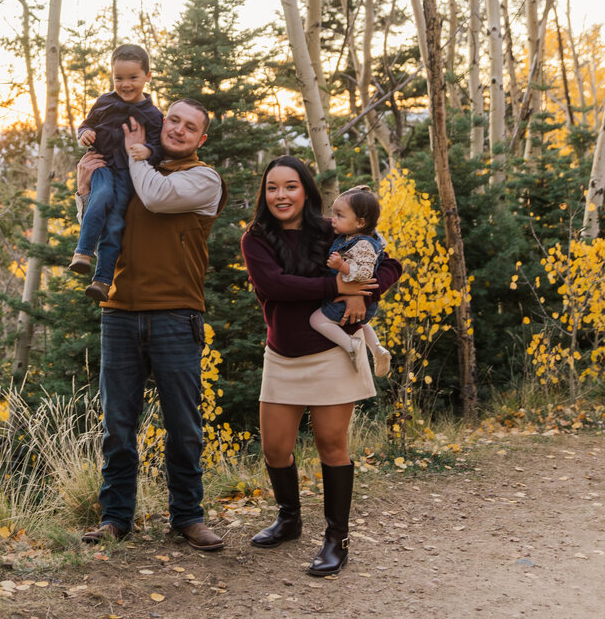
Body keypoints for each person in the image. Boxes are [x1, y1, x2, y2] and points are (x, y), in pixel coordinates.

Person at [76, 98, 228, 551]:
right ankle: (116, 518)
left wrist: (138, 155)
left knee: (183, 425)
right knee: (117, 426)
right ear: (163, 123)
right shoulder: (129, 170)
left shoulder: (203, 179)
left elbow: (157, 198)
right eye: (174, 120)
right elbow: (96, 228)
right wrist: (86, 191)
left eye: (190, 127)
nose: (178, 130)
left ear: (201, 139)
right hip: (119, 312)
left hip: (176, 314)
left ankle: (188, 516)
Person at [239, 156, 401, 576]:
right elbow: (274, 285)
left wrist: (362, 294)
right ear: (264, 194)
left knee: (332, 445)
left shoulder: (331, 228)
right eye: (273, 187)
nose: (281, 195)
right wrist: (338, 286)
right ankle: (289, 519)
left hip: (333, 352)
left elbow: (390, 264)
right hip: (282, 355)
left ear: (305, 190)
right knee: (276, 449)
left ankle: (336, 539)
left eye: (290, 186)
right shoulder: (255, 239)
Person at [70, 44, 164, 302]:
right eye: (118, 78)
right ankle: (83, 252)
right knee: (99, 198)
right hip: (103, 166)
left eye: (133, 78)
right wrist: (84, 134)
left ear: (147, 76)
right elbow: (86, 124)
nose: (125, 84)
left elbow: (158, 147)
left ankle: (101, 281)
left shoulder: (153, 115)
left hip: (128, 178)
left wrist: (147, 151)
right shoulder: (105, 102)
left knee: (114, 226)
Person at [309, 185, 393, 378]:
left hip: (349, 299)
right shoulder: (362, 235)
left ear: (360, 222)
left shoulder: (363, 244)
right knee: (362, 324)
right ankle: (378, 349)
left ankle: (351, 346)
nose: (333, 220)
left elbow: (364, 272)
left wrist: (342, 267)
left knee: (317, 320)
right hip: (365, 303)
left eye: (339, 215)